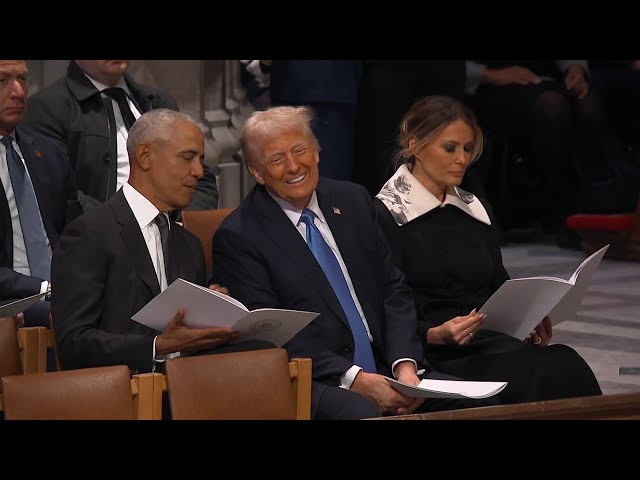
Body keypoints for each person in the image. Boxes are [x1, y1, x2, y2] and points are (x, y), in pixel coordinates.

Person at [211, 105, 499, 420]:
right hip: (318, 379)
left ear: (317, 152)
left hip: (389, 368)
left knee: (483, 407)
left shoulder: (353, 201)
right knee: (362, 413)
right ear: (256, 171)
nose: (294, 166)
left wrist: (405, 367)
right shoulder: (240, 235)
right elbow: (270, 331)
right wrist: (356, 379)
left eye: (300, 151)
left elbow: (393, 289)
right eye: (276, 160)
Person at [374, 95, 603, 404]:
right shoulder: (384, 213)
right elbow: (379, 306)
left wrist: (529, 314)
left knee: (565, 363)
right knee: (529, 373)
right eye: (450, 148)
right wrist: (435, 333)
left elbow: (497, 282)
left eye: (468, 149)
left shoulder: (471, 207)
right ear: (414, 144)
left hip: (484, 340)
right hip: (429, 350)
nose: (462, 159)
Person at [51, 109, 271, 375]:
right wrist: (156, 346)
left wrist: (211, 313)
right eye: (187, 157)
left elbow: (187, 335)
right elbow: (73, 345)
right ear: (145, 156)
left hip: (191, 389)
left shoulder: (189, 244)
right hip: (124, 397)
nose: (199, 172)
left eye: (201, 160)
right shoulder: (89, 234)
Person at [22, 60, 219, 213]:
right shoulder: (48, 108)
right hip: (99, 245)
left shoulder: (157, 102)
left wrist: (182, 223)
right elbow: (59, 193)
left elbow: (201, 178)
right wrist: (122, 228)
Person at [0, 59, 81, 329]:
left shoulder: (48, 152)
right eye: (2, 81)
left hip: (61, 290)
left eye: (22, 79)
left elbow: (76, 233)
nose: (19, 93)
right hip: (11, 299)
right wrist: (44, 287)